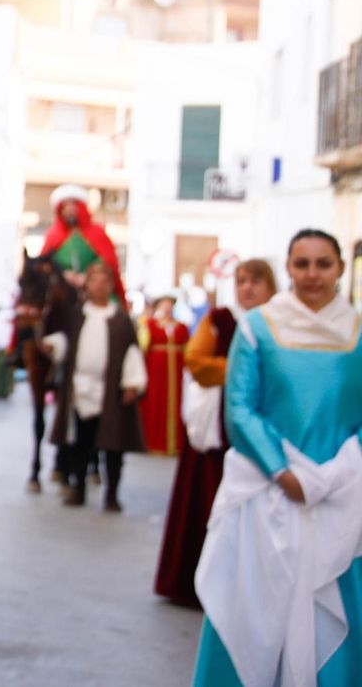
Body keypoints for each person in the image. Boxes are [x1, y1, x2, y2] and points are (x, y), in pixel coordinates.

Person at [192, 231, 362, 686]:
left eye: (323, 264)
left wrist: (340, 472)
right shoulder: (258, 328)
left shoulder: (359, 331)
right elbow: (241, 405)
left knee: (336, 600)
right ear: (287, 268)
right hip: (269, 491)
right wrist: (283, 470)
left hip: (342, 495)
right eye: (302, 264)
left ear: (340, 269)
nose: (312, 274)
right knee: (255, 607)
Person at [153, 259, 276, 609]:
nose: (247, 288)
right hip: (219, 432)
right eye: (241, 281)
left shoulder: (279, 324)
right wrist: (245, 372)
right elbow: (196, 361)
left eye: (256, 281)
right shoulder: (220, 320)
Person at [43, 260, 146, 511]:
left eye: (104, 281)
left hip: (110, 390)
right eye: (94, 280)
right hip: (81, 388)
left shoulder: (121, 320)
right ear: (86, 285)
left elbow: (132, 353)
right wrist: (52, 345)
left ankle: (112, 494)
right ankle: (78, 489)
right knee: (81, 441)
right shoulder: (77, 315)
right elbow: (67, 343)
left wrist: (132, 384)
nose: (99, 285)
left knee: (113, 444)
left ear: (110, 285)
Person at [40, 184, 125, 301]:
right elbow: (45, 263)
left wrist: (88, 277)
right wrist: (63, 274)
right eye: (65, 206)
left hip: (94, 289)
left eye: (73, 205)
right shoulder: (53, 235)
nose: (69, 210)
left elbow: (108, 261)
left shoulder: (97, 232)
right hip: (61, 289)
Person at [139, 294, 188, 456]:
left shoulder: (181, 327)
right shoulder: (150, 324)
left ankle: (175, 443)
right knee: (155, 402)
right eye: (164, 304)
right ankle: (153, 441)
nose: (167, 307)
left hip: (175, 375)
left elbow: (188, 350)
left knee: (176, 403)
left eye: (170, 304)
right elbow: (142, 347)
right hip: (156, 372)